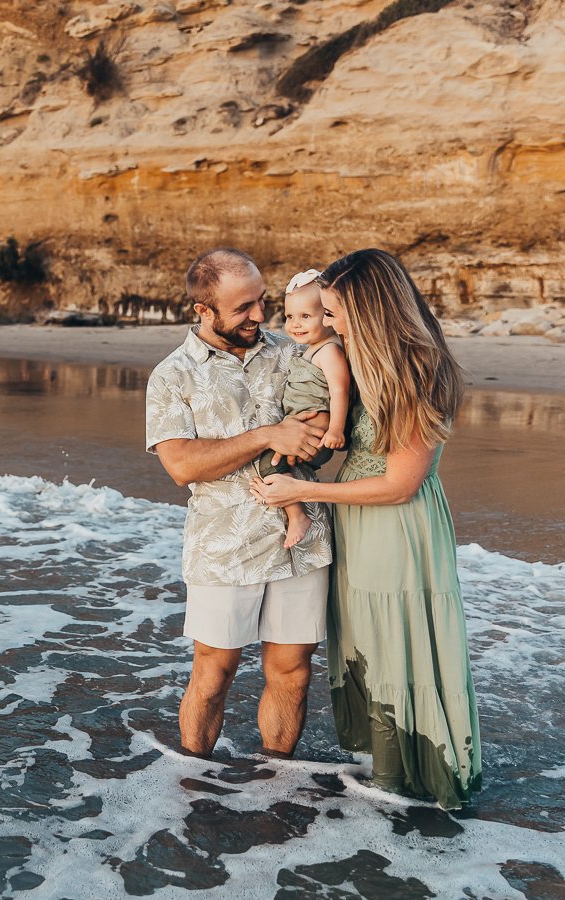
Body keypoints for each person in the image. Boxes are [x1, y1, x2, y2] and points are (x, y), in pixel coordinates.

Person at [249, 248, 482, 809]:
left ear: (371, 310)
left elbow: (399, 483)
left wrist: (304, 491)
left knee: (399, 643)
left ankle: (425, 783)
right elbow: (349, 437)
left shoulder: (416, 370)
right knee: (369, 643)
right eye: (324, 312)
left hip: (395, 524)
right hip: (356, 516)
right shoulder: (360, 360)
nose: (329, 324)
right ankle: (389, 781)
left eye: (335, 312)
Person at [146, 247, 332, 760]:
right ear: (203, 310)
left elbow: (331, 407)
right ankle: (192, 786)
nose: (259, 315)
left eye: (262, 301)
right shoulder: (172, 376)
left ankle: (276, 783)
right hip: (224, 544)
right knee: (213, 671)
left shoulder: (293, 348)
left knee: (292, 671)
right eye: (243, 307)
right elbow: (182, 465)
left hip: (304, 538)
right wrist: (268, 435)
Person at [256, 270, 351, 551]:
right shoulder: (311, 349)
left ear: (329, 315)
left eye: (306, 316)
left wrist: (334, 429)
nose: (295, 324)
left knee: (267, 464)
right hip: (303, 430)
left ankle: (298, 516)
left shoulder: (329, 352)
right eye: (289, 317)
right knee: (270, 464)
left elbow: (339, 391)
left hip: (317, 433)